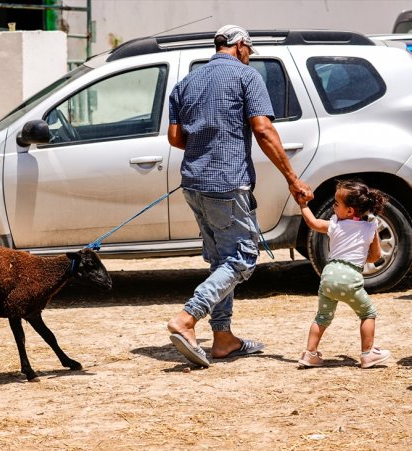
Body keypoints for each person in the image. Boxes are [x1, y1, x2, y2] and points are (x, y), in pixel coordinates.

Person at [166, 24, 313, 367]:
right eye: (249, 50)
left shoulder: (186, 82)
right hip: (228, 184)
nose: (250, 56)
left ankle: (223, 338)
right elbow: (262, 129)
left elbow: (175, 137)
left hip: (194, 183)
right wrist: (293, 179)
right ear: (240, 45)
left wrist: (205, 147)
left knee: (222, 261)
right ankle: (188, 318)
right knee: (243, 258)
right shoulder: (247, 78)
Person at [297, 179, 391, 369]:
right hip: (350, 277)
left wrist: (303, 204)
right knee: (368, 313)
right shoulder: (370, 228)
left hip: (328, 275)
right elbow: (375, 256)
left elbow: (313, 222)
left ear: (349, 211)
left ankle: (310, 354)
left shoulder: (335, 225)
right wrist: (359, 256)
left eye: (336, 203)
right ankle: (368, 354)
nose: (333, 206)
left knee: (322, 317)